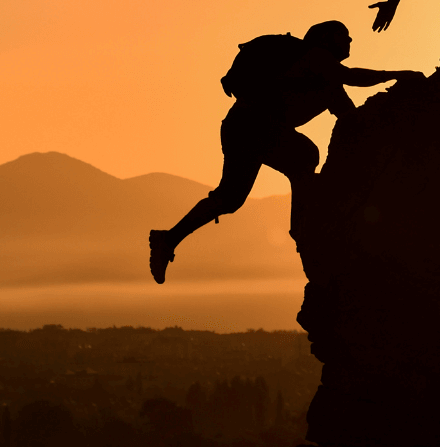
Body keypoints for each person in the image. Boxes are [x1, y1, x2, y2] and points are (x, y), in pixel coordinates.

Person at [149, 20, 419, 284]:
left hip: (241, 126)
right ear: (325, 39)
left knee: (232, 197)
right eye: (343, 35)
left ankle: (169, 239)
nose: (349, 41)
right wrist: (397, 75)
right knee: (304, 156)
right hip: (252, 124)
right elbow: (352, 77)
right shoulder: (315, 57)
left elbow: (350, 118)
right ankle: (300, 229)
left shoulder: (329, 83)